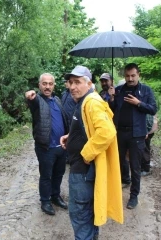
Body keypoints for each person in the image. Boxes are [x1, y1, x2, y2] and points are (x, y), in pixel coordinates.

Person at [60, 65, 123, 240]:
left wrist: (87, 153)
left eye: (78, 82)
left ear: (89, 84)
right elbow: (89, 129)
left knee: (81, 219)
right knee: (89, 217)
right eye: (71, 82)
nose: (73, 86)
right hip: (84, 173)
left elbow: (107, 132)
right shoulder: (84, 101)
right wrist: (70, 136)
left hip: (82, 173)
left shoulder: (92, 102)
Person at [108, 63, 157, 209]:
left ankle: (133, 196)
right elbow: (111, 110)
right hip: (119, 133)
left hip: (137, 134)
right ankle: (115, 192)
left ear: (138, 75)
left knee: (135, 166)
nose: (130, 79)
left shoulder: (146, 90)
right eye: (127, 76)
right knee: (116, 163)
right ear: (124, 76)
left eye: (133, 75)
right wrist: (111, 99)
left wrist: (138, 103)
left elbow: (153, 109)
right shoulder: (118, 90)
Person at [25, 73, 69, 216]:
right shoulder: (37, 101)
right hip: (46, 148)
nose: (47, 86)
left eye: (50, 83)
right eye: (44, 83)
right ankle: (45, 200)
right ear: (39, 85)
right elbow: (30, 99)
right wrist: (29, 96)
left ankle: (55, 196)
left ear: (54, 85)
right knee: (46, 175)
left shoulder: (57, 100)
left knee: (58, 173)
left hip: (61, 147)